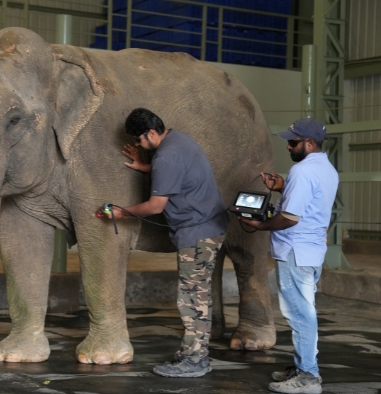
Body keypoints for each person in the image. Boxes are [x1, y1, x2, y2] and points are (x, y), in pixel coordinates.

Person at [98, 108, 227, 378]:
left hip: (198, 233)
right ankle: (194, 350)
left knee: (192, 298)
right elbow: (177, 172)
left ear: (152, 133)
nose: (138, 146)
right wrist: (144, 166)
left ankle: (196, 360)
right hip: (207, 227)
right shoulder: (178, 141)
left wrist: (122, 212)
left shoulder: (167, 154)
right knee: (195, 294)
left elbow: (156, 206)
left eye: (139, 141)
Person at [239, 118, 338, 394]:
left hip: (296, 251)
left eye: (293, 142)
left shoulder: (303, 171)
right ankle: (303, 365)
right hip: (311, 251)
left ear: (309, 143)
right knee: (303, 312)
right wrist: (283, 187)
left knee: (300, 314)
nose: (288, 146)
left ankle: (309, 376)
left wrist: (261, 225)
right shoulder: (326, 169)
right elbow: (310, 203)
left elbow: (290, 217)